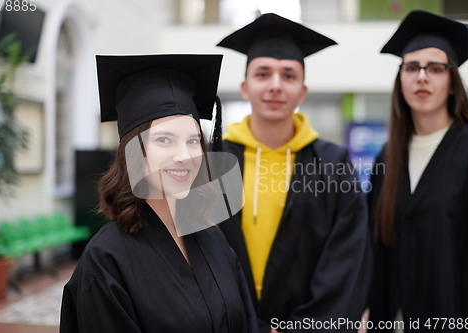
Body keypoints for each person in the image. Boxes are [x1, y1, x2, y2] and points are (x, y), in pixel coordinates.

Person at [60, 54, 258, 333]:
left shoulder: (213, 238)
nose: (185, 156)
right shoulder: (106, 261)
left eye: (192, 141)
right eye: (164, 140)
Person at [217, 13, 372, 332]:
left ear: (302, 91)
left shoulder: (333, 164)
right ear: (245, 88)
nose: (275, 85)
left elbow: (346, 261)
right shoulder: (214, 160)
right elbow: (196, 251)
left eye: (288, 75)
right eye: (263, 74)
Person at [367, 10, 468, 332]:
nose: (421, 77)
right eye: (411, 67)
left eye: (435, 68)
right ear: (400, 81)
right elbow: (374, 249)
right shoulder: (387, 159)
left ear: (453, 83)